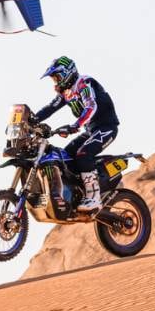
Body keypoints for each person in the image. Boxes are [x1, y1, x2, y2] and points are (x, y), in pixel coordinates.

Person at [34, 56, 120, 212]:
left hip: (107, 127)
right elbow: (49, 108)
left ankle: (93, 198)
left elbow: (91, 106)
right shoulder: (66, 93)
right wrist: (31, 120)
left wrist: (75, 125)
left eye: (57, 77)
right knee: (65, 156)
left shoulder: (83, 83)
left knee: (83, 154)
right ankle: (77, 193)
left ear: (68, 72)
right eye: (54, 78)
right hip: (91, 131)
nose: (55, 81)